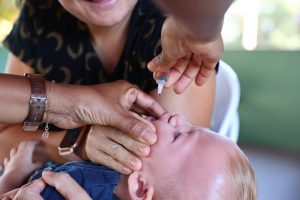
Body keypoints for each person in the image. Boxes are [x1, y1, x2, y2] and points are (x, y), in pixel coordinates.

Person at [1, 0, 233, 173]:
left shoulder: (173, 33)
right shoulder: (41, 14)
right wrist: (76, 142)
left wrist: (45, 143)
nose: (175, 125)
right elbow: (3, 139)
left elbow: (170, 181)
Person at [0, 114, 256, 200]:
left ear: (141, 187)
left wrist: (12, 178)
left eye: (178, 135)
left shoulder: (74, 184)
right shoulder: (109, 175)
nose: (178, 118)